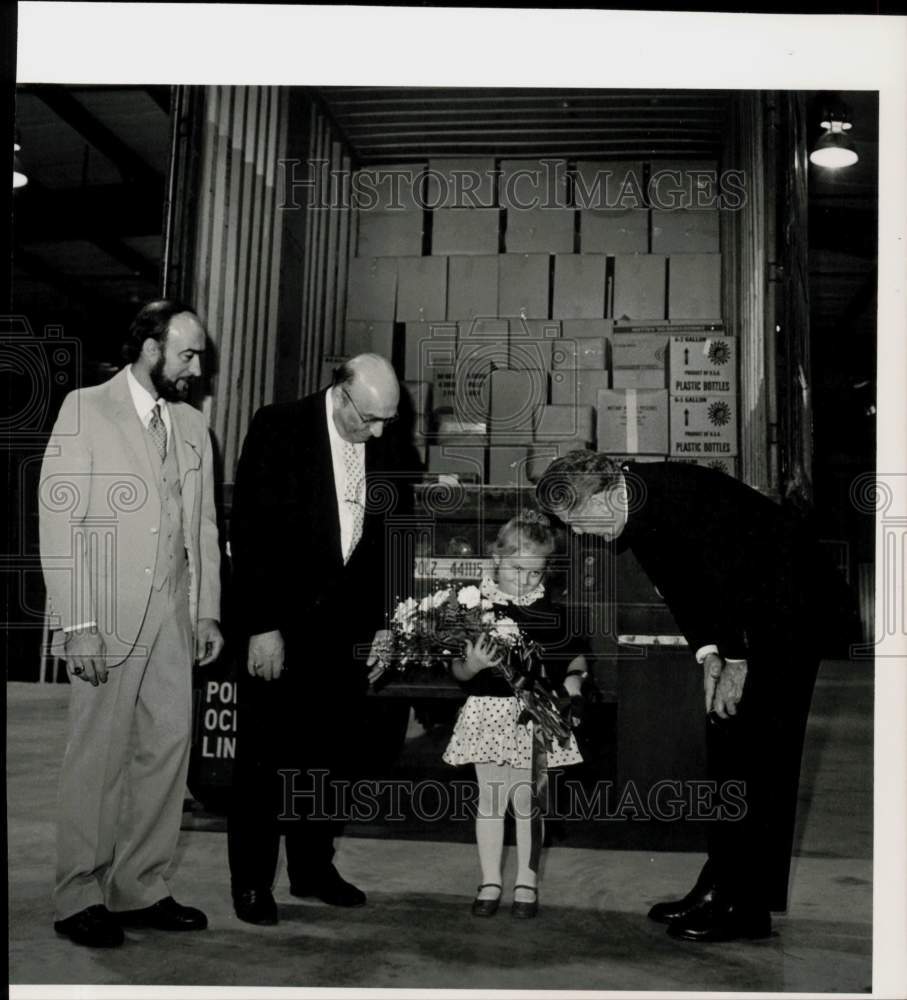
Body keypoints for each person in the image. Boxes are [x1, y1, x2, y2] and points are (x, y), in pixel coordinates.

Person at [535, 451, 848, 942]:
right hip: (750, 613)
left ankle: (745, 907)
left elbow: (736, 575)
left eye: (577, 519)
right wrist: (709, 656)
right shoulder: (632, 510)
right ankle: (721, 883)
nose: (577, 533)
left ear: (610, 493)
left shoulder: (675, 497)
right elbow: (684, 586)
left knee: (759, 750)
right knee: (728, 740)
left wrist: (739, 659)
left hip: (789, 607)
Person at [39, 299, 224, 949]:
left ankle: (139, 884)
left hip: (172, 614)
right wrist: (77, 623)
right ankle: (78, 894)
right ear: (149, 349)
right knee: (97, 759)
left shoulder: (194, 428)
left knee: (167, 752)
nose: (197, 369)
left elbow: (203, 529)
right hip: (107, 616)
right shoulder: (88, 410)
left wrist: (206, 610)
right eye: (187, 354)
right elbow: (60, 523)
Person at [227, 354, 417, 926]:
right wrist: (262, 625)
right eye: (370, 418)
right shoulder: (277, 426)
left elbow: (396, 539)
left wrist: (388, 621)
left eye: (389, 419)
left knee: (329, 758)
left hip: (350, 631)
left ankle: (313, 869)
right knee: (265, 759)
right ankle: (253, 883)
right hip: (282, 627)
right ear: (339, 393)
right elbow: (251, 531)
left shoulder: (390, 444)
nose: (381, 431)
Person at [443, 511, 588, 919]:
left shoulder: (554, 613)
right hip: (487, 715)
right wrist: (470, 665)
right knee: (489, 800)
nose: (524, 580)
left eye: (535, 572)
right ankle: (490, 880)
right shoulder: (472, 608)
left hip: (536, 716)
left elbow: (575, 656)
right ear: (495, 559)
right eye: (516, 568)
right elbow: (457, 672)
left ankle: (527, 881)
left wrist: (574, 682)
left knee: (528, 802)